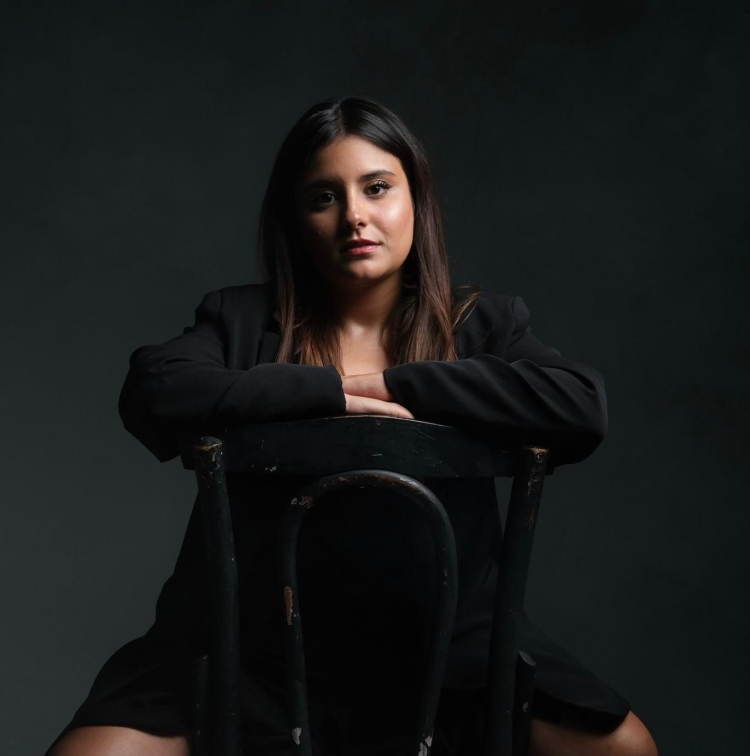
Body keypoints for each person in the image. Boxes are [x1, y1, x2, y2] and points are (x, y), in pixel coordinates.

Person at [46, 96, 657, 756]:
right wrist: (327, 392)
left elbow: (580, 404)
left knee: (624, 747)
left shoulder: (479, 325)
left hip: (450, 656)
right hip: (249, 648)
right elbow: (154, 389)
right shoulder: (243, 322)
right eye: (323, 197)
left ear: (416, 200)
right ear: (296, 218)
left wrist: (397, 384)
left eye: (377, 188)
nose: (354, 216)